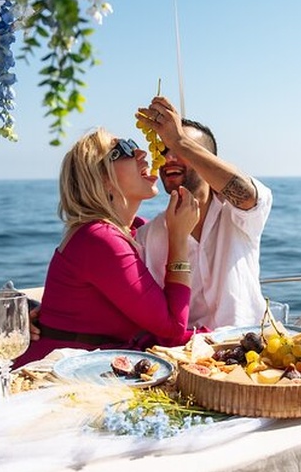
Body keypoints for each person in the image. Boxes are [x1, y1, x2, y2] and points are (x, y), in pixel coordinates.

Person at [15, 128, 200, 367]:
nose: (141, 152)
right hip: (59, 373)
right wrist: (178, 239)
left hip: (95, 364)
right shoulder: (99, 239)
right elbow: (173, 329)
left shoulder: (132, 230)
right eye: (124, 149)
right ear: (101, 177)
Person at [133, 96, 273, 330]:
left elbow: (247, 194)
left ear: (208, 160)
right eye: (165, 149)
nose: (169, 157)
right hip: (186, 355)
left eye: (180, 148)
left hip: (251, 347)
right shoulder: (147, 236)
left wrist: (179, 139)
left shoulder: (240, 214)